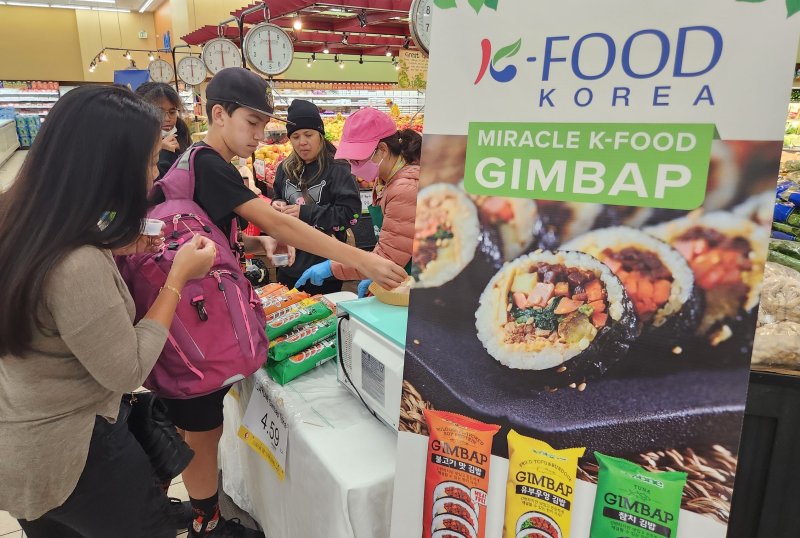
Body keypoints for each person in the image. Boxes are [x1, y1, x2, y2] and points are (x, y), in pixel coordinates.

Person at [141, 67, 405, 538]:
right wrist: (360, 260)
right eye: (252, 123)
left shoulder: (193, 162)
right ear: (217, 114)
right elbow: (279, 222)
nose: (260, 137)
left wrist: (248, 248)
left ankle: (196, 508)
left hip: (186, 314)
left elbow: (206, 229)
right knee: (201, 430)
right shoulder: (208, 162)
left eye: (267, 126)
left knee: (194, 423)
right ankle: (208, 521)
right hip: (193, 319)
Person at [0, 85, 217, 538]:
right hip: (75, 457)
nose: (153, 173)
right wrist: (178, 277)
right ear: (110, 166)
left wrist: (112, 245)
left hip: (18, 445)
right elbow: (126, 369)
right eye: (149, 160)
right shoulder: (75, 263)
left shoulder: (21, 220)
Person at [295, 108, 419, 296]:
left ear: (383, 150)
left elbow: (387, 259)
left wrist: (333, 267)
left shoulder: (405, 189)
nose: (353, 170)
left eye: (357, 160)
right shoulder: (386, 178)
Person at [271, 99, 362, 294]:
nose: (302, 142)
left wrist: (304, 212)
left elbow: (350, 214)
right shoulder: (285, 168)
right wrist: (277, 203)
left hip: (322, 269)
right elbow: (278, 194)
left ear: (320, 134)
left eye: (308, 134)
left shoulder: (338, 169)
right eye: (295, 136)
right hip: (288, 263)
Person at [135, 82, 192, 182]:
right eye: (159, 112)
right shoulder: (134, 143)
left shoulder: (181, 133)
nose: (167, 118)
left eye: (172, 112)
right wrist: (159, 150)